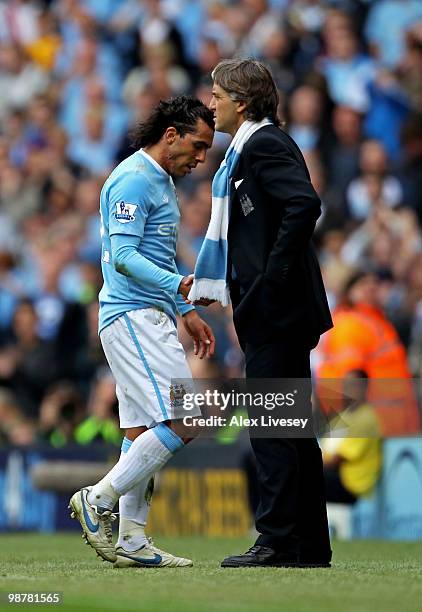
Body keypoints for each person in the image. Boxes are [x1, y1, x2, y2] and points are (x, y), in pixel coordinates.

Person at [188, 59, 333, 567]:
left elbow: (303, 205)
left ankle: (275, 540)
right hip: (277, 309)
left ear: (242, 102)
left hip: (277, 309)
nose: (212, 103)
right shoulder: (249, 149)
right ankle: (309, 544)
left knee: (273, 425)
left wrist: (269, 281)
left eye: (218, 94)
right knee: (292, 425)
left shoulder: (265, 144)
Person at [69, 96, 215, 568]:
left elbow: (155, 255)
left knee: (139, 431)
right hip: (133, 316)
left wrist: (183, 308)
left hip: (146, 314)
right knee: (189, 418)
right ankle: (98, 499)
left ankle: (132, 539)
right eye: (196, 146)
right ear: (170, 135)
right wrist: (179, 286)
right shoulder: (134, 179)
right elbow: (126, 256)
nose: (200, 158)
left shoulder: (158, 180)